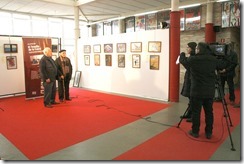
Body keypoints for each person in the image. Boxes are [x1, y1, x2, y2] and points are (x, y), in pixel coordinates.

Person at [180, 42, 218, 139]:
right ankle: (209, 132)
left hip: (196, 90)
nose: (195, 50)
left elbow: (183, 61)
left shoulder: (194, 59)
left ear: (199, 49)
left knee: (196, 112)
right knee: (209, 112)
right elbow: (222, 66)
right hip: (209, 91)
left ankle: (195, 131)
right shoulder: (213, 59)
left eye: (197, 48)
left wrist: (182, 54)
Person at [179, 42, 197, 122]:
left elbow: (186, 63)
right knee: (191, 99)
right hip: (190, 78)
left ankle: (193, 116)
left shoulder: (194, 57)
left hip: (192, 80)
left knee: (193, 99)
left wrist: (182, 55)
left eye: (188, 47)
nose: (187, 49)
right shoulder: (192, 57)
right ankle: (189, 113)